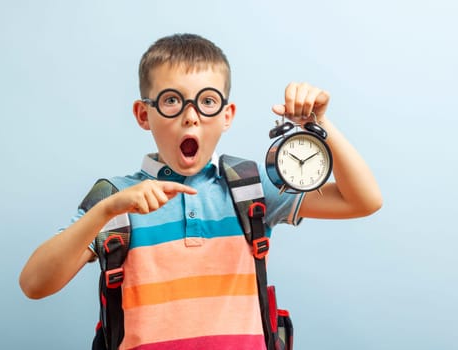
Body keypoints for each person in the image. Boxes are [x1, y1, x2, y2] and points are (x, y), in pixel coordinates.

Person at [19, 33, 382, 349]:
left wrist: (319, 125)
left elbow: (362, 200)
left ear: (227, 115)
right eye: (172, 100)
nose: (191, 115)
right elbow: (34, 283)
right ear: (144, 114)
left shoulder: (250, 188)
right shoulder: (116, 199)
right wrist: (105, 212)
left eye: (207, 102)